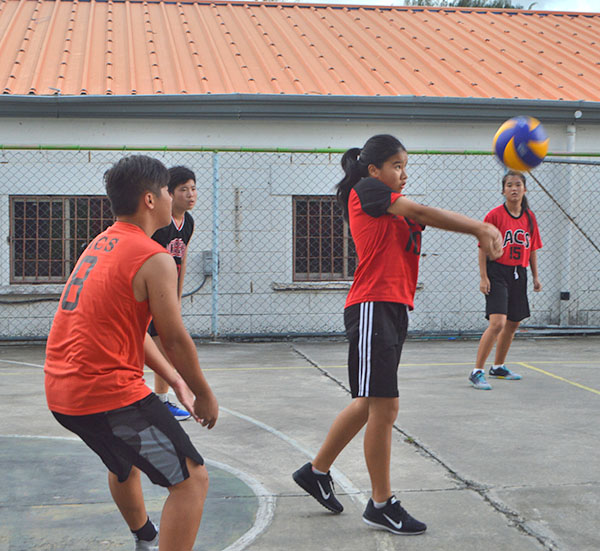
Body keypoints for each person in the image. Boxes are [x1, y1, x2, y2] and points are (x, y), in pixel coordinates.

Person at [292, 134, 502, 535]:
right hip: (372, 305)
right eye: (397, 166)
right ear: (374, 169)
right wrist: (480, 227)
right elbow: (421, 211)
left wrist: (480, 231)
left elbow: (424, 215)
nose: (404, 174)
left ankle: (315, 472)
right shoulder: (368, 190)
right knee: (385, 409)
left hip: (392, 307)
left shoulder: (389, 201)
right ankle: (381, 503)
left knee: (367, 403)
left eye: (406, 166)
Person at [44, 155, 219, 551]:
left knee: (124, 464)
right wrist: (204, 393)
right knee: (192, 481)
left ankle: (145, 537)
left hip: (62, 394)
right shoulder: (154, 257)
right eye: (167, 190)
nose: (173, 196)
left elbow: (132, 331)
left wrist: (175, 381)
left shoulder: (100, 244)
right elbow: (173, 339)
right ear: (150, 199)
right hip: (106, 395)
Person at [469, 170, 542, 390]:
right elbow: (482, 248)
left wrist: (536, 276)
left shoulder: (529, 217)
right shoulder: (494, 216)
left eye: (518, 185)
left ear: (525, 189)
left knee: (513, 323)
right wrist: (483, 277)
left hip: (519, 272)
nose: (514, 189)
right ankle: (477, 371)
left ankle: (498, 366)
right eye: (509, 185)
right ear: (503, 191)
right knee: (497, 323)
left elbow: (532, 248)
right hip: (497, 272)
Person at [148, 166, 198, 421]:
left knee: (164, 349)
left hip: (166, 296)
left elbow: (182, 260)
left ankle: (160, 402)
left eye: (193, 189)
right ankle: (141, 401)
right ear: (169, 192)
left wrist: (177, 298)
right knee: (147, 348)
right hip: (149, 294)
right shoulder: (159, 222)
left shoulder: (188, 222)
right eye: (183, 189)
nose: (191, 194)